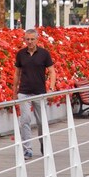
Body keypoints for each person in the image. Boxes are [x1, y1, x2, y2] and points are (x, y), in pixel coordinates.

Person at [13, 29, 56, 160]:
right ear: (24, 40)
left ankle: (44, 144)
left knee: (42, 122)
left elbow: (52, 71)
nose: (30, 42)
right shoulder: (21, 54)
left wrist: (51, 88)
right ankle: (27, 150)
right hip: (24, 92)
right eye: (27, 39)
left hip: (39, 92)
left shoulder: (44, 54)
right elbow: (17, 73)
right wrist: (14, 92)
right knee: (25, 120)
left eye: (32, 39)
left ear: (37, 40)